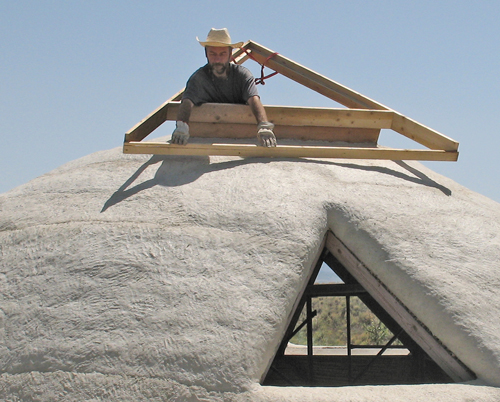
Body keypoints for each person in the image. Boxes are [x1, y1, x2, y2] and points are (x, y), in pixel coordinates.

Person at [171, 28, 277, 147]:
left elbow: (254, 99)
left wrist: (263, 126)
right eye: (213, 54)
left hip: (241, 134)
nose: (217, 59)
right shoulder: (198, 79)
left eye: (222, 54)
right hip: (206, 133)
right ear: (206, 54)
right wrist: (182, 126)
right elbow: (187, 102)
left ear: (230, 54)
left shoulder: (242, 75)